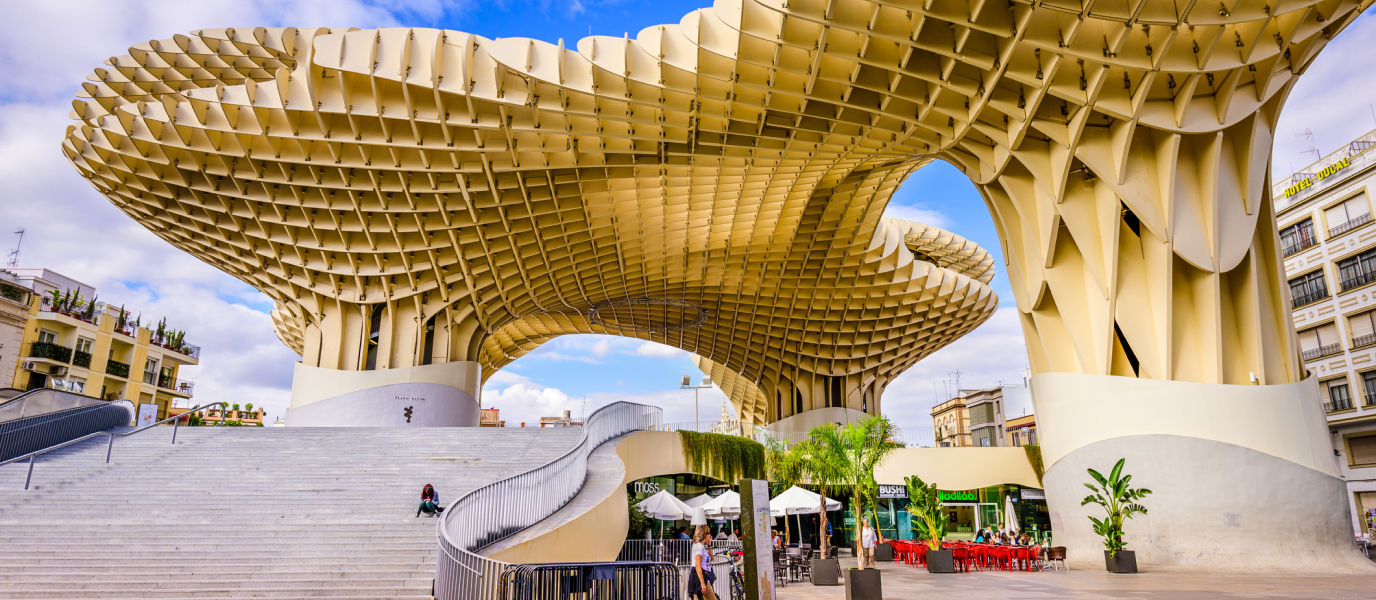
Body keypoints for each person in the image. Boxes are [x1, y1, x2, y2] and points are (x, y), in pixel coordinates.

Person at [688, 525, 718, 600]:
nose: (710, 535)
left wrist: (709, 546)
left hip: (701, 577)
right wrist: (702, 583)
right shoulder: (699, 547)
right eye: (708, 533)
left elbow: (711, 558)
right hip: (700, 578)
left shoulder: (700, 546)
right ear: (704, 534)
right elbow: (697, 565)